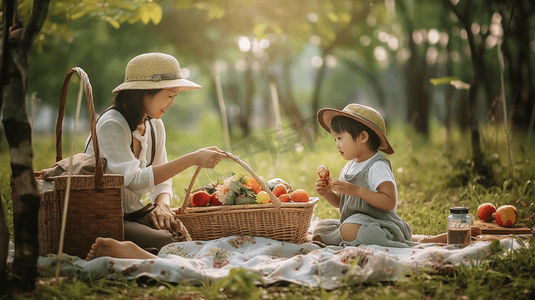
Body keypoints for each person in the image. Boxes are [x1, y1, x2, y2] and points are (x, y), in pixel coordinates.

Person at [84, 52, 228, 252]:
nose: (171, 103)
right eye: (168, 96)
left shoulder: (155, 126)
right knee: (167, 242)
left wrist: (162, 205)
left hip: (133, 213)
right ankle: (122, 249)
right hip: (104, 215)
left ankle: (130, 250)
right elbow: (135, 180)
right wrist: (193, 158)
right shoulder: (111, 125)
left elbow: (162, 181)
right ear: (144, 93)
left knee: (179, 232)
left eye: (174, 96)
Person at [313, 103, 447, 247]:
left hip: (381, 225)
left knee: (348, 229)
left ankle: (404, 241)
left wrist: (356, 190)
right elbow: (343, 203)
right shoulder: (348, 167)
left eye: (340, 138)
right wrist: (328, 193)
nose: (336, 145)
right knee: (322, 228)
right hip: (357, 223)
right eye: (335, 140)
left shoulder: (377, 165)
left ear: (363, 137)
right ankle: (419, 239)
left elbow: (389, 202)